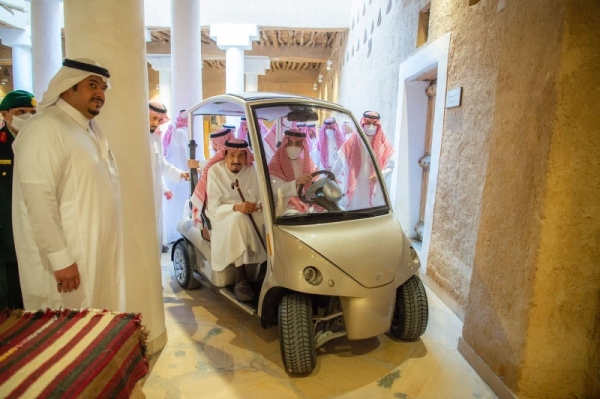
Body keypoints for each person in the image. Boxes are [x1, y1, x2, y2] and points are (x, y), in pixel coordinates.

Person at [12, 58, 124, 311]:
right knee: (65, 334)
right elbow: (38, 198)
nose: (100, 93)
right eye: (92, 85)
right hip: (69, 261)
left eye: (103, 88)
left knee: (94, 324)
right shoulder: (46, 128)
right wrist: (61, 258)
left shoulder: (88, 129)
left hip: (95, 252)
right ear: (68, 87)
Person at [205, 139, 266, 301]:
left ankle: (266, 267)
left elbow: (260, 198)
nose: (236, 160)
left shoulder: (251, 170)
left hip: (249, 212)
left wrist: (257, 206)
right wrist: (236, 207)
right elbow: (214, 208)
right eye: (232, 155)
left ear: (246, 157)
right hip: (222, 216)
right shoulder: (215, 171)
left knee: (270, 218)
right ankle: (241, 278)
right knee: (238, 219)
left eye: (241, 156)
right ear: (224, 155)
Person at [0, 90, 36, 310]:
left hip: (33, 227)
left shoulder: (37, 141)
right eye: (21, 112)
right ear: (5, 114)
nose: (28, 117)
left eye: (33, 112)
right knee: (11, 294)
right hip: (6, 234)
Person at [148, 101, 190, 253]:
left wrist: (180, 174)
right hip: (139, 192)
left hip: (154, 190)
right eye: (152, 118)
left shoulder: (156, 138)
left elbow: (161, 165)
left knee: (156, 224)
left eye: (158, 120)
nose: (155, 123)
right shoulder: (135, 138)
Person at [331, 111, 394, 210]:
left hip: (375, 191)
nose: (371, 127)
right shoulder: (351, 142)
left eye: (374, 124)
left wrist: (380, 174)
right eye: (368, 123)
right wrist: (331, 178)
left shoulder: (383, 143)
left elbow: (390, 166)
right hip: (356, 191)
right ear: (362, 123)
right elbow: (338, 164)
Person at [189, 127, 235, 226]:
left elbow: (218, 164)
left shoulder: (229, 156)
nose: (213, 146)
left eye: (215, 143)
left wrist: (198, 163)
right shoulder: (220, 157)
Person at [268, 129, 316, 215]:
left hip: (304, 204)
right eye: (289, 143)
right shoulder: (275, 164)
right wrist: (297, 182)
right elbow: (276, 190)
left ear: (303, 146)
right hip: (284, 207)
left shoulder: (307, 163)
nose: (293, 147)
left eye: (297, 143)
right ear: (284, 144)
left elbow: (317, 181)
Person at [162, 110, 191, 244]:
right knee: (177, 204)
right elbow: (182, 152)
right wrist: (188, 169)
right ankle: (175, 233)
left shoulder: (178, 130)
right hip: (179, 172)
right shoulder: (181, 131)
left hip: (175, 172)